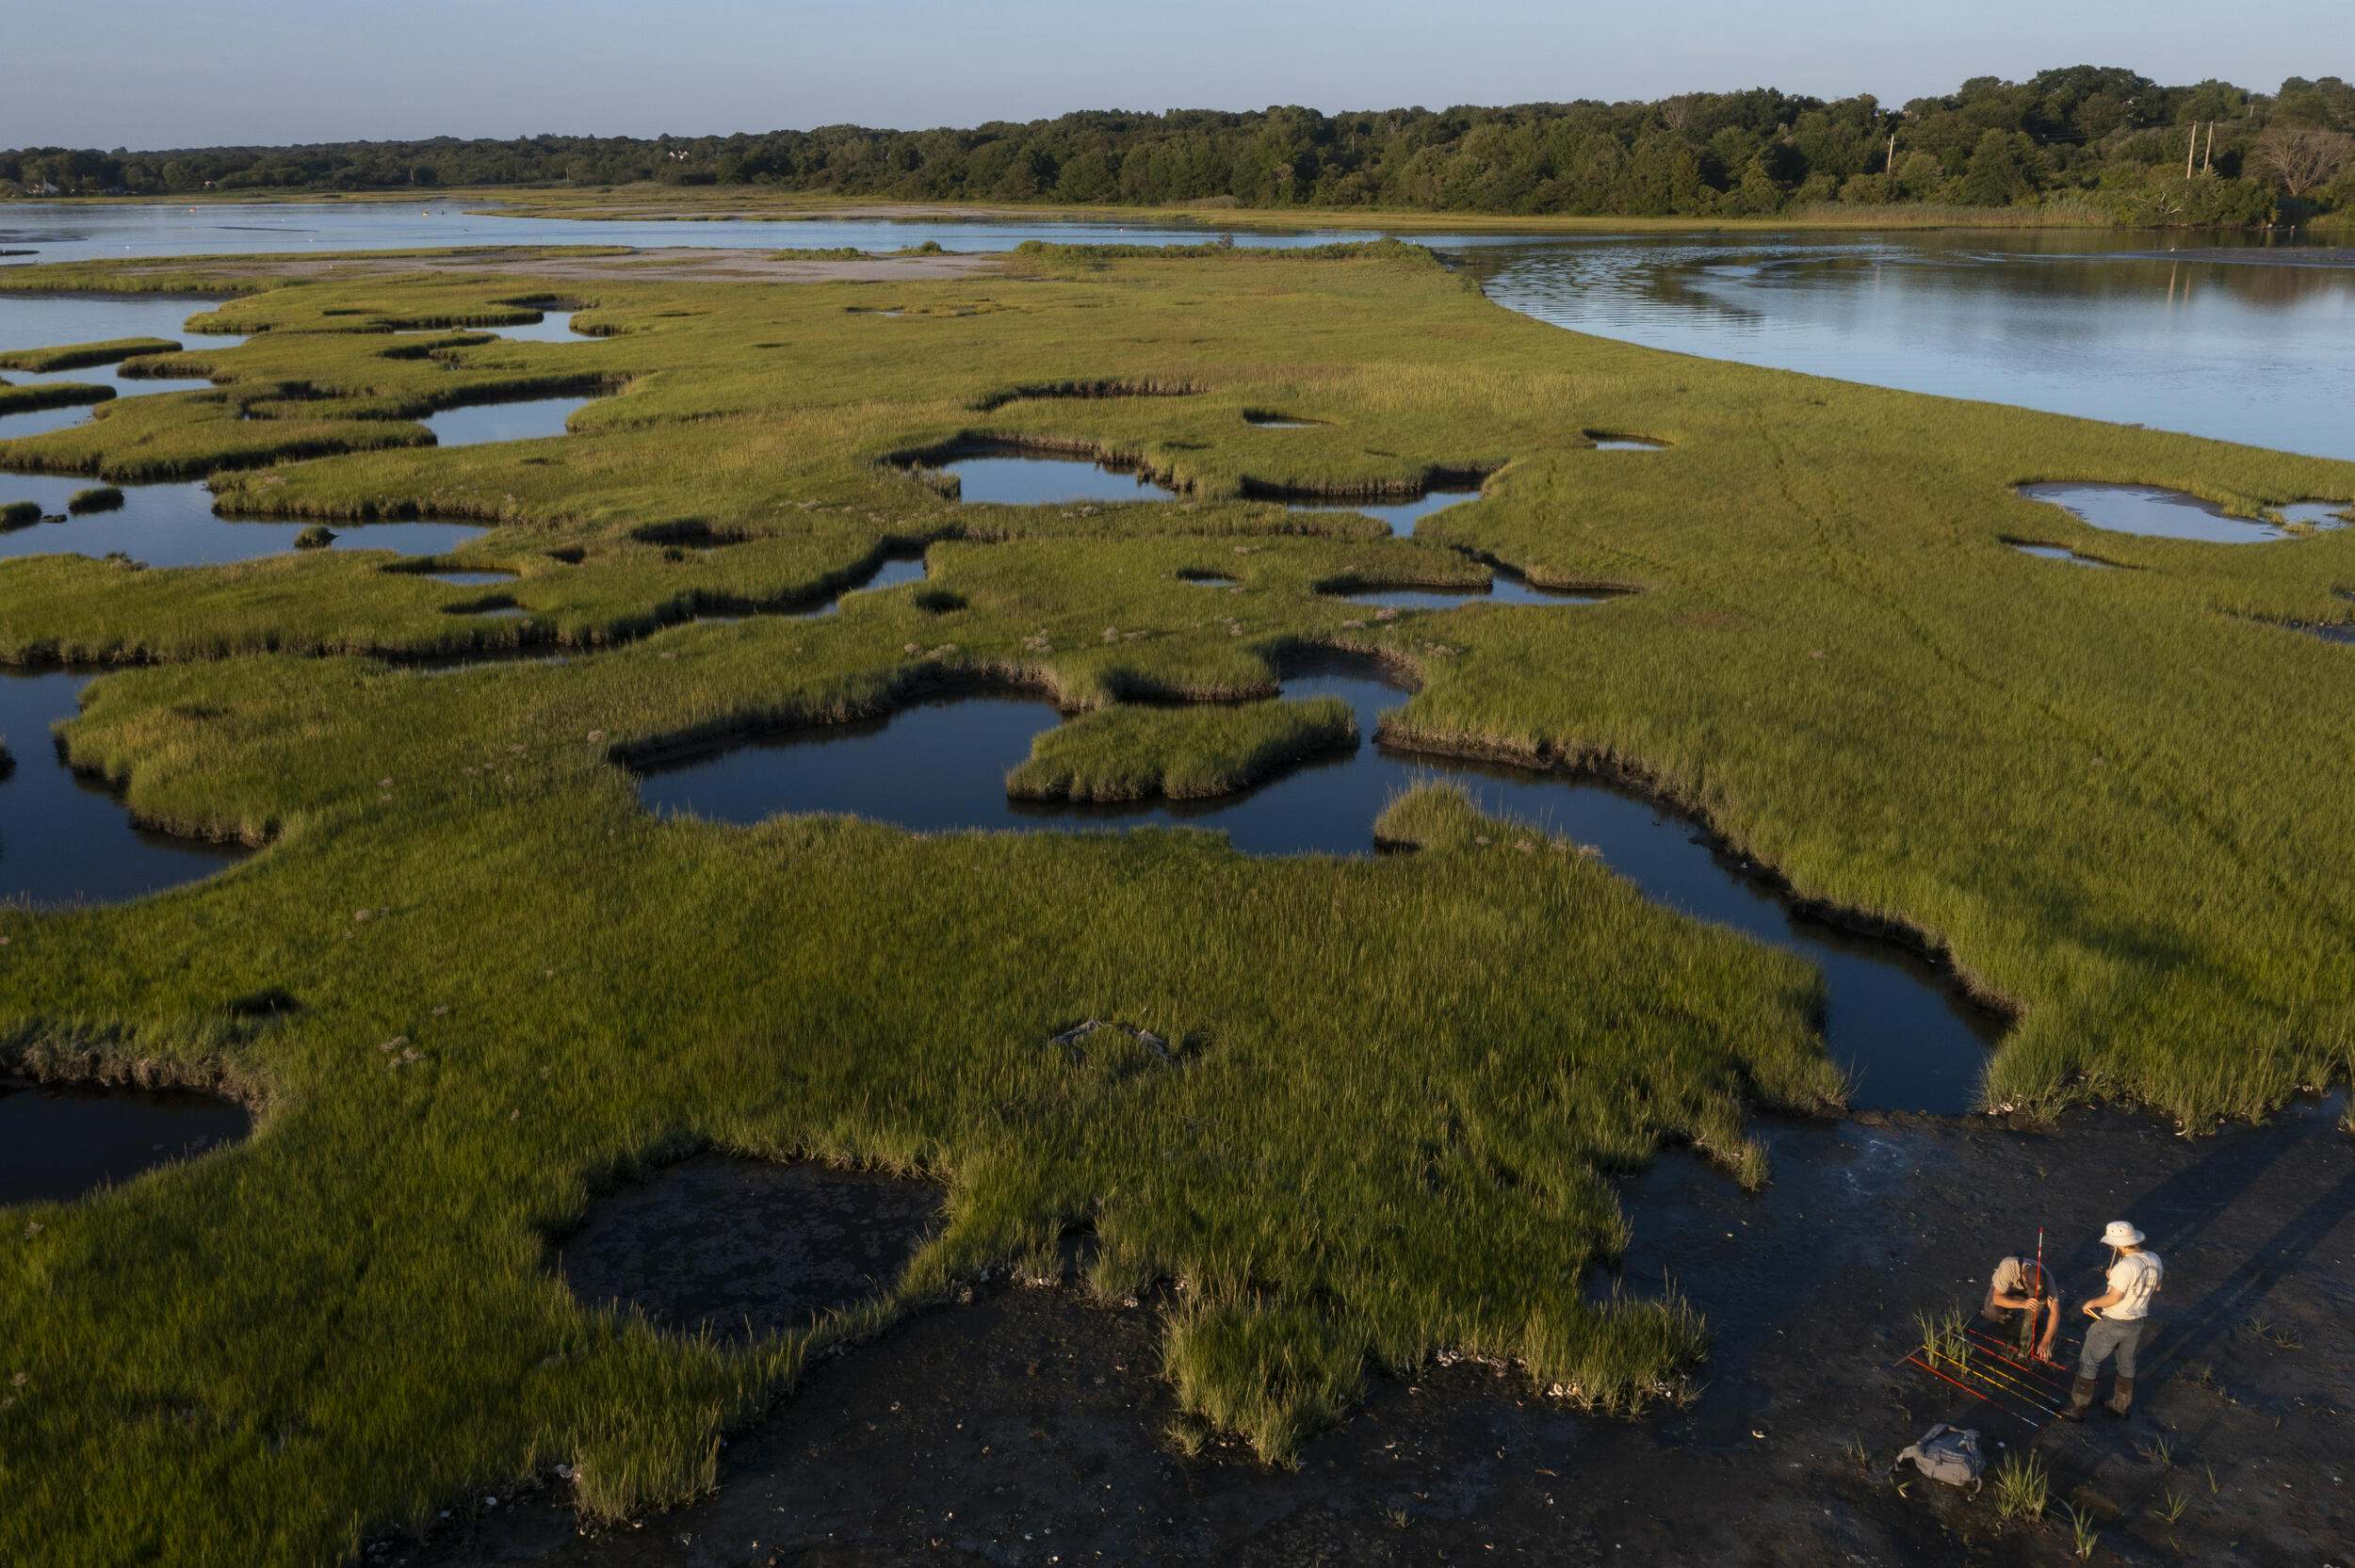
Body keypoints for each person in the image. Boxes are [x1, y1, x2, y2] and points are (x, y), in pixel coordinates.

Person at [2061, 1220, 2163, 1420]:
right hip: (2137, 1321)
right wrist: (2115, 1276)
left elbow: (2114, 1298)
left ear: (2119, 1244)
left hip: (2114, 1321)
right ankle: (2120, 1406)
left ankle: (2076, 1409)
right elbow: (2157, 1286)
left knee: (2089, 1361)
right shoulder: (2154, 1258)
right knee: (2126, 1363)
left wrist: (2092, 1302)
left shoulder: (2125, 1266)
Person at [1981, 1253, 2060, 1364]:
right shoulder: (2008, 1267)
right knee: (1992, 1312)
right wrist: (2023, 1304)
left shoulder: (2046, 1276)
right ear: (2024, 1277)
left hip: (2026, 1294)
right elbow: (1997, 1298)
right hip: (2006, 1290)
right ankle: (2005, 1315)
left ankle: (2025, 1348)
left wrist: (2047, 1339)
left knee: (2035, 1310)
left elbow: (2055, 1311)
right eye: (2033, 1291)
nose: (2035, 1295)